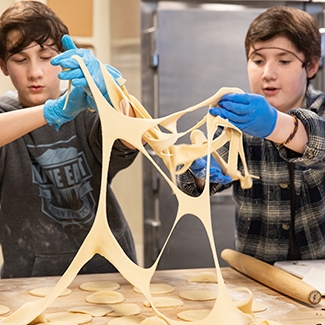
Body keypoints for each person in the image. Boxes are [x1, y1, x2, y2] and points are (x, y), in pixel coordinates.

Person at [0, 1, 138, 278]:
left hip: (109, 274)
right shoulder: (7, 117)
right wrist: (54, 112)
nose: (35, 72)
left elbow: (133, 136)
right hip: (30, 278)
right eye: (20, 59)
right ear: (3, 65)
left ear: (64, 57)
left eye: (45, 56)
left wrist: (113, 94)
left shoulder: (85, 110)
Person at [178, 6, 325, 264]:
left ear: (311, 66)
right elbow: (193, 186)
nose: (267, 73)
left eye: (284, 60)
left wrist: (275, 125)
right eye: (257, 60)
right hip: (256, 276)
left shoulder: (321, 112)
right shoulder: (235, 125)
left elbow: (318, 140)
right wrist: (198, 172)